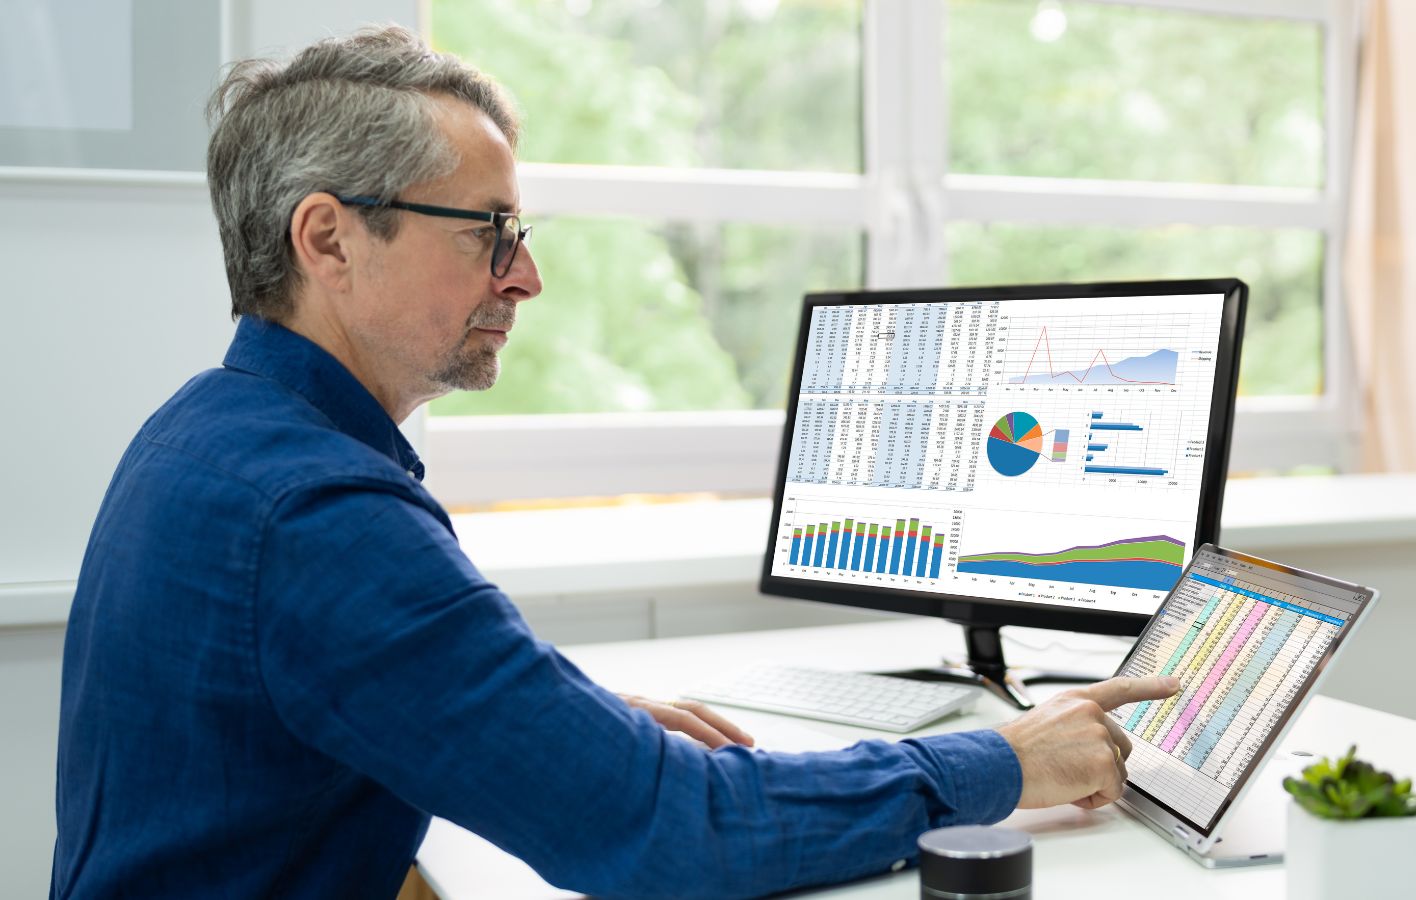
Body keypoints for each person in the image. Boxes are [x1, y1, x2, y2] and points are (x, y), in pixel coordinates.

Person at [50, 27, 1179, 900]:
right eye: (487, 230)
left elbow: (366, 688)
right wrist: (1003, 763)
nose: (524, 278)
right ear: (329, 238)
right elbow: (666, 833)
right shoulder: (316, 513)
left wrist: (566, 726)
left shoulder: (210, 432)